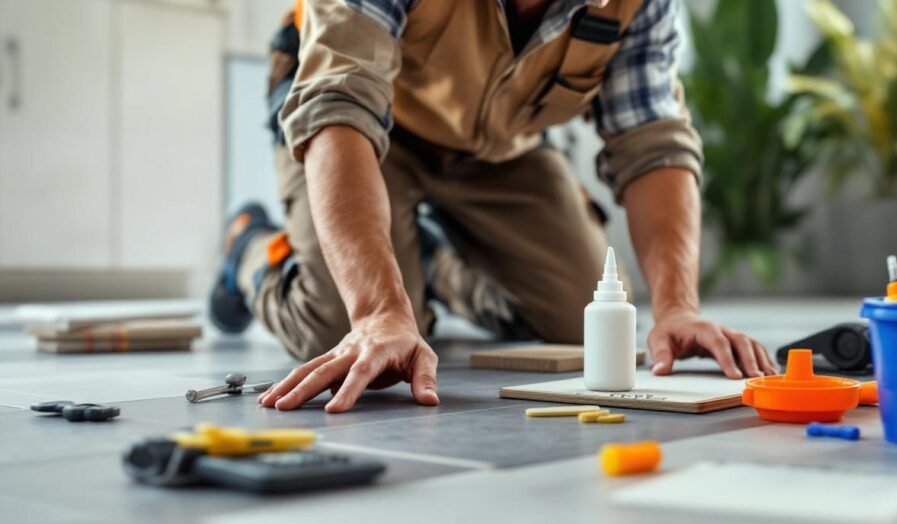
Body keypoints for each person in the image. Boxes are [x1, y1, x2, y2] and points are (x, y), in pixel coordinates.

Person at [211, 0, 778, 414]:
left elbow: (652, 138)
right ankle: (250, 248)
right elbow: (340, 103)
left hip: (503, 147)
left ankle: (430, 265)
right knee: (337, 329)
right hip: (363, 124)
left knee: (588, 323)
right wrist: (379, 307)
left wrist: (678, 306)